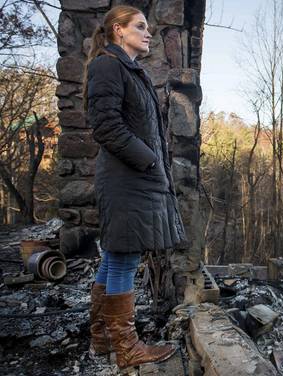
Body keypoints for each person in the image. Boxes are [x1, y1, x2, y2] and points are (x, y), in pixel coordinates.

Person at [81, 5, 188, 373]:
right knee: (124, 257)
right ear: (118, 30)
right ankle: (126, 348)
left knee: (114, 257)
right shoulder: (107, 65)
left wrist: (150, 162)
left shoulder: (128, 68)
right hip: (126, 180)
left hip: (133, 179)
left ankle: (102, 338)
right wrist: (149, 160)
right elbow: (105, 126)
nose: (148, 33)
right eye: (140, 27)